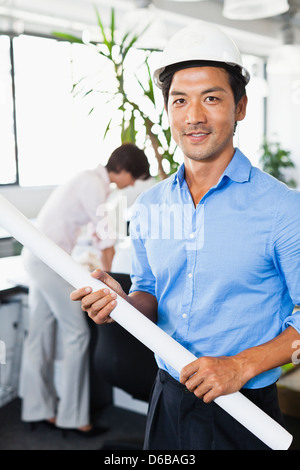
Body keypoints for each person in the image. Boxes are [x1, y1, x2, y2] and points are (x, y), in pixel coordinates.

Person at [70, 22, 300, 449]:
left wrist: (239, 366)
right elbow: (152, 293)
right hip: (169, 399)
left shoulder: (283, 209)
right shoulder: (149, 207)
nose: (194, 116)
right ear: (169, 111)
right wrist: (122, 302)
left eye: (211, 98)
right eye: (180, 100)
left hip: (244, 406)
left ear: (241, 106)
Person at [20, 143, 150, 435]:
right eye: (136, 177)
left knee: (39, 335)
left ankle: (36, 410)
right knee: (77, 334)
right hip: (47, 262)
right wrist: (111, 276)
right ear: (126, 169)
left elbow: (95, 234)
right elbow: (104, 240)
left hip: (36, 257)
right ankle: (74, 418)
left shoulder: (87, 179)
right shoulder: (94, 185)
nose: (132, 185)